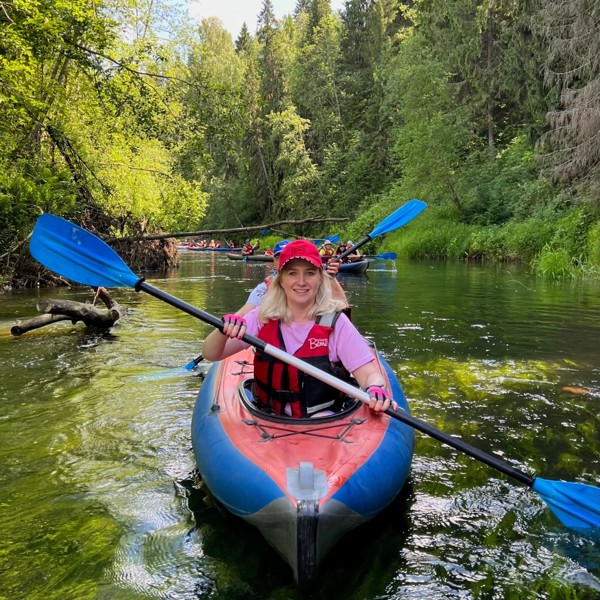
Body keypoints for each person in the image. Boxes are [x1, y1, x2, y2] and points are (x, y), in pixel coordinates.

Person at [202, 239, 397, 417]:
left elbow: (368, 373)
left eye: (309, 273)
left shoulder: (336, 322)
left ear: (320, 278)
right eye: (292, 273)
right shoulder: (262, 317)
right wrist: (222, 330)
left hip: (325, 418)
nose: (301, 282)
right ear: (281, 280)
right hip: (269, 416)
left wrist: (375, 387)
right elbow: (211, 353)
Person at [235, 240, 345, 317]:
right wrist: (231, 321)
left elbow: (342, 309)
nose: (301, 282)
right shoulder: (263, 290)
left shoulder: (314, 284)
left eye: (309, 273)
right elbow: (244, 312)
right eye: (278, 256)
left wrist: (331, 278)